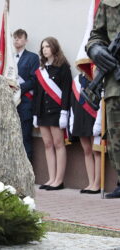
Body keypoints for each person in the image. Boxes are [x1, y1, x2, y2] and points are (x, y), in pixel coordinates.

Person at [86, 0, 120, 198]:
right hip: (115, 82)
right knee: (116, 136)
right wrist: (96, 49)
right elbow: (96, 35)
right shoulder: (109, 1)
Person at [33, 37, 72, 191]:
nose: (45, 49)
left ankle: (59, 180)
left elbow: (67, 92)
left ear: (54, 48)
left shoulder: (63, 67)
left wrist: (64, 112)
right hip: (42, 112)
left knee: (58, 144)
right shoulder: (41, 70)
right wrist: (36, 114)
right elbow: (37, 94)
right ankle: (51, 178)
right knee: (47, 145)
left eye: (48, 46)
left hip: (56, 112)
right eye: (43, 47)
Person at [69, 74, 101, 194]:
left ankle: (97, 184)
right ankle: (91, 182)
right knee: (87, 151)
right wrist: (72, 120)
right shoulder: (78, 79)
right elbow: (73, 101)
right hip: (80, 116)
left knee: (96, 151)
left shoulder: (96, 77)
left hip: (93, 116)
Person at [12, 29, 40, 163]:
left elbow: (34, 80)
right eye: (14, 38)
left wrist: (17, 88)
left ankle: (28, 172)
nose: (16, 40)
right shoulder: (10, 59)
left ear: (25, 40)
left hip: (25, 103)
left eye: (19, 38)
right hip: (12, 103)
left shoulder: (32, 57)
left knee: (25, 137)